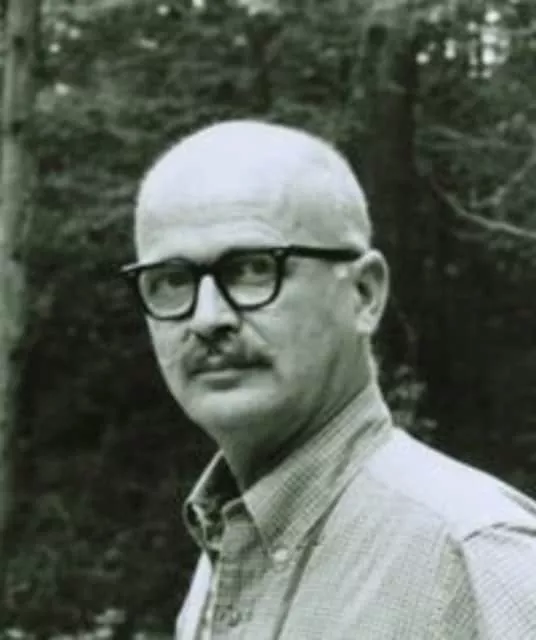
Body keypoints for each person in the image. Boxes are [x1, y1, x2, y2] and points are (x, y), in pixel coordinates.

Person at [122, 120, 536, 639]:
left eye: (252, 269)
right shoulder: (226, 548)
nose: (207, 318)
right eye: (172, 280)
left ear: (364, 295)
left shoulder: (476, 562)